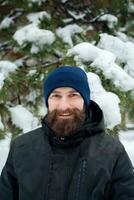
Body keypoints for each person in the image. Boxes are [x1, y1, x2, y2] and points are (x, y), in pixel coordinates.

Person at [0, 66, 134, 200]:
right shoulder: (21, 148)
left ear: (85, 101)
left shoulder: (112, 152)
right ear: (48, 101)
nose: (64, 106)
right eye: (56, 96)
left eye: (73, 95)